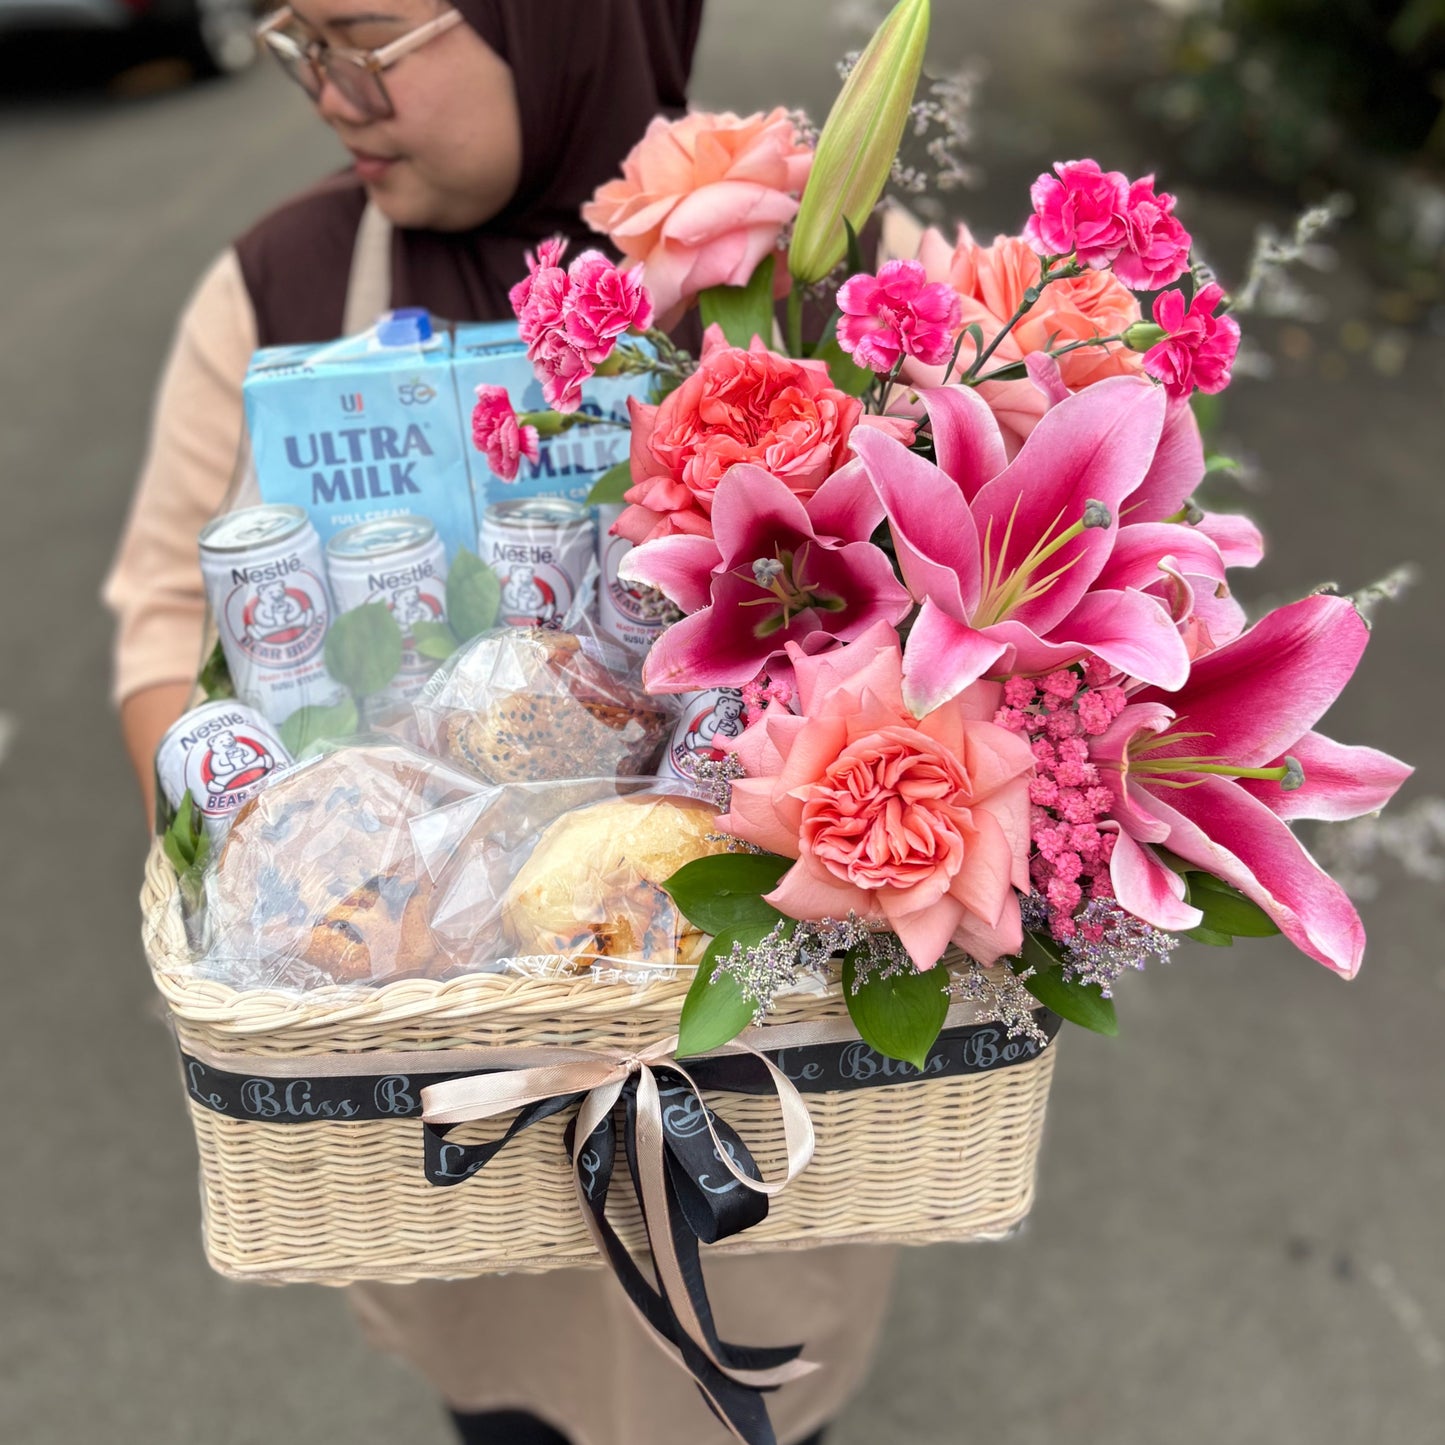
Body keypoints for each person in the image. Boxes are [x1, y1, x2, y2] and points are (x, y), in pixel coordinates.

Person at [102, 3, 898, 1444]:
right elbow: (161, 620)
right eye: (294, 44)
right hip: (450, 1136)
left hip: (754, 1120)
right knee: (512, 1403)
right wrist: (286, 861)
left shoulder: (814, 275)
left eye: (361, 40)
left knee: (756, 1396)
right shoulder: (279, 282)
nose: (329, 95)